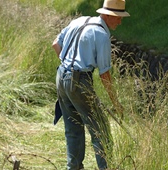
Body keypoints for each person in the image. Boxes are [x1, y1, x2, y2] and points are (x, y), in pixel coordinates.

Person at [51, 0, 130, 169]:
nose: (120, 21)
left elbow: (55, 44)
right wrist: (116, 103)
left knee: (73, 129)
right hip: (79, 80)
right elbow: (105, 75)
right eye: (118, 17)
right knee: (100, 130)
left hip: (61, 76)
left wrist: (67, 67)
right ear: (108, 15)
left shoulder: (79, 21)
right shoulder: (101, 35)